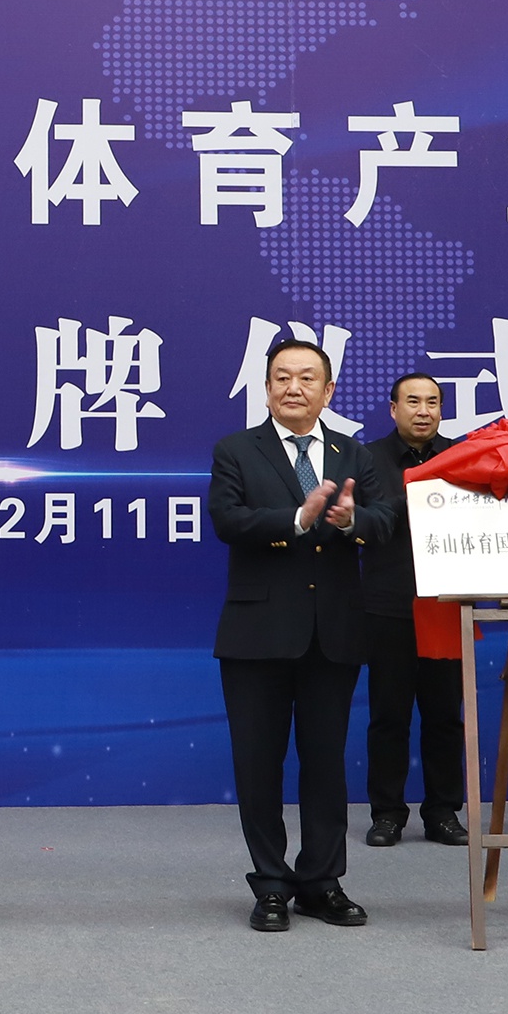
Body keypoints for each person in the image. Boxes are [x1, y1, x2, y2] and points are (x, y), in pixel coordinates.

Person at [207, 336, 386, 930]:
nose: (293, 387)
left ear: (328, 390)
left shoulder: (353, 453)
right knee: (257, 764)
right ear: (266, 388)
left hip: (333, 632)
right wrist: (297, 519)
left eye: (307, 378)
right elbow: (228, 520)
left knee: (325, 763)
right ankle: (271, 884)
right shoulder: (237, 449)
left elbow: (387, 519)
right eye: (282, 377)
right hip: (257, 633)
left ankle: (321, 881)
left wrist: (352, 520)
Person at [358, 371, 466, 847]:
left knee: (445, 716)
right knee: (389, 715)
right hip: (388, 603)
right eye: (413, 402)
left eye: (433, 402)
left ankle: (443, 812)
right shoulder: (367, 459)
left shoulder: (460, 458)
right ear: (393, 408)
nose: (424, 411)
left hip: (446, 603)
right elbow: (365, 524)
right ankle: (387, 814)